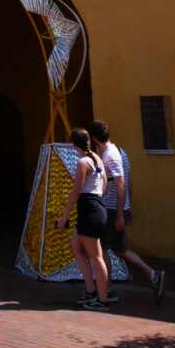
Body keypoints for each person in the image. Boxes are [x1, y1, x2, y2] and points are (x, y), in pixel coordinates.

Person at [90, 119, 165, 304]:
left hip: (110, 210)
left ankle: (107, 290)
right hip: (118, 209)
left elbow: (121, 184)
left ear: (93, 138)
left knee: (103, 250)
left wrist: (119, 215)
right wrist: (126, 208)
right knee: (119, 249)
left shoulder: (109, 155)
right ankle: (153, 275)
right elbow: (129, 181)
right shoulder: (120, 152)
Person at [56, 126, 110, 311]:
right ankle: (90, 291)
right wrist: (96, 198)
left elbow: (76, 192)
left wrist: (64, 218)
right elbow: (104, 187)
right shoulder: (97, 159)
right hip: (97, 207)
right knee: (77, 247)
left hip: (89, 209)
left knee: (96, 256)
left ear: (73, 144)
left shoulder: (82, 163)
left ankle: (103, 300)